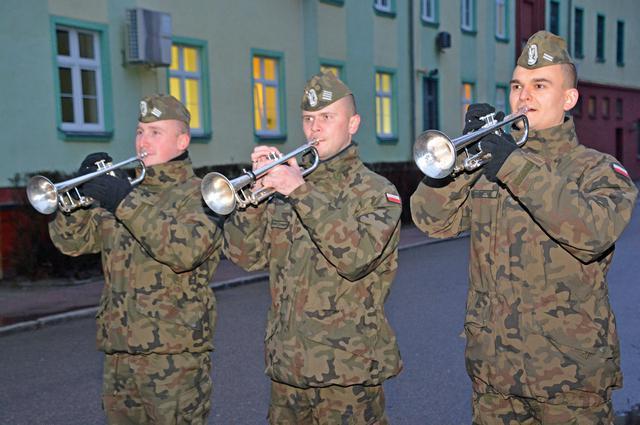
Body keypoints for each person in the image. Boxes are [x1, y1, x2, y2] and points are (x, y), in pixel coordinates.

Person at [411, 31, 638, 424]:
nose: (524, 96)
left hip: (569, 381)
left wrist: (512, 164)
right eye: (517, 86)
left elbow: (592, 233)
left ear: (569, 99)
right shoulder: (489, 161)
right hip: (494, 375)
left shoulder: (599, 169)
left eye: (539, 85)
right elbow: (433, 221)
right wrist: (466, 153)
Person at [223, 71, 403, 424]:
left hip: (348, 371)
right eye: (308, 119)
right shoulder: (287, 184)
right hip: (288, 367)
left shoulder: (377, 191)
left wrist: (300, 192)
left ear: (353, 124)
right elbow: (245, 257)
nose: (314, 129)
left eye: (326, 117)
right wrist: (253, 200)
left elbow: (356, 259)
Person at [49, 94, 223, 424]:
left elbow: (184, 252)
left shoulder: (204, 193)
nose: (144, 140)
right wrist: (79, 198)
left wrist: (124, 202)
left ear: (182, 140)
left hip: (173, 355)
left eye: (156, 132)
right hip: (119, 350)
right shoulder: (125, 190)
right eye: (141, 131)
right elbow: (72, 244)